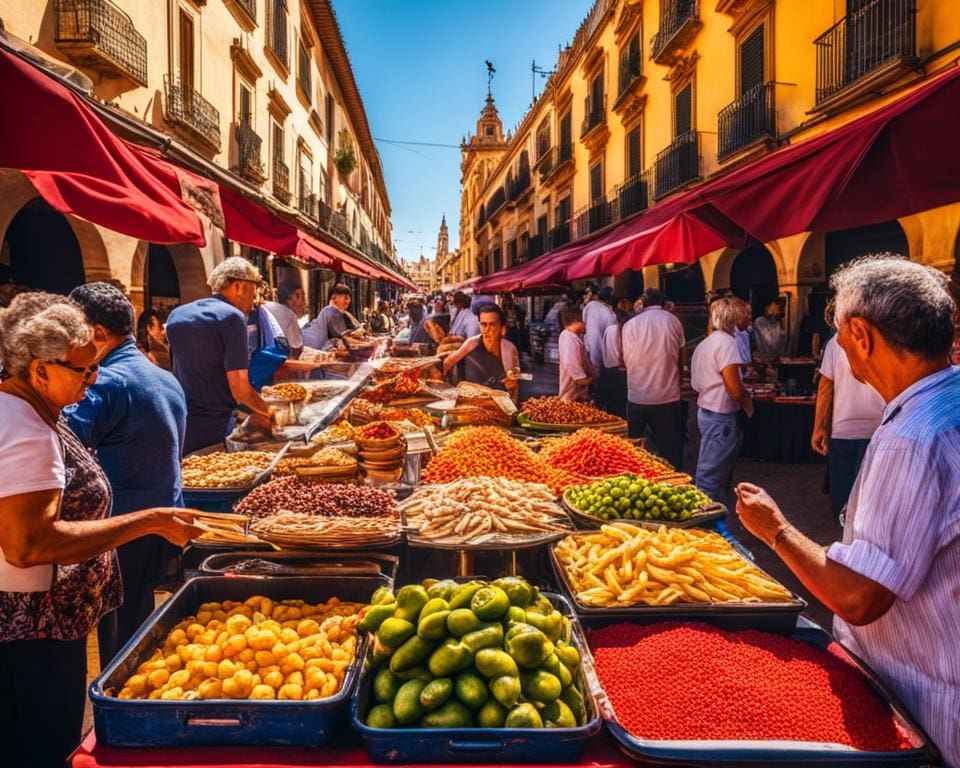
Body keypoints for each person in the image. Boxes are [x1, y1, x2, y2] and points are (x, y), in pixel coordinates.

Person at [735, 255, 959, 765]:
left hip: (924, 706)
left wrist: (777, 530)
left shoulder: (912, 436)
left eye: (839, 335)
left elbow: (858, 597)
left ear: (860, 334)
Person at [0, 292, 199, 768]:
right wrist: (148, 521)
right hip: (32, 636)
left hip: (51, 628)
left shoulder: (41, 414)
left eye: (94, 368)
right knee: (39, 747)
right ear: (39, 369)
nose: (93, 383)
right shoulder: (26, 430)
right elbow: (29, 545)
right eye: (83, 371)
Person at [64, 283, 188, 661]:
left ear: (97, 335)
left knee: (121, 647)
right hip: (165, 522)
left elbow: (62, 447)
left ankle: (120, 711)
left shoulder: (105, 383)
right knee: (141, 627)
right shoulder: (165, 377)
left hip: (123, 534)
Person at [165, 257, 274, 453]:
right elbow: (239, 389)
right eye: (253, 290)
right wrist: (270, 412)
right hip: (214, 426)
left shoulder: (176, 315)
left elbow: (175, 369)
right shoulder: (233, 318)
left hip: (181, 419)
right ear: (238, 286)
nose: (254, 301)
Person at [811, 326, 887, 520]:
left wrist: (819, 427)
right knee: (876, 498)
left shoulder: (837, 341)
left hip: (849, 428)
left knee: (846, 499)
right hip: (879, 426)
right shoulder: (887, 334)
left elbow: (825, 386)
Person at [690, 297, 754, 509]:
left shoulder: (706, 343)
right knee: (710, 475)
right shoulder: (727, 343)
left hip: (707, 410)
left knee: (709, 468)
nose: (748, 319)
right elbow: (734, 388)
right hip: (721, 415)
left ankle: (714, 513)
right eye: (744, 315)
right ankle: (704, 519)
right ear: (733, 317)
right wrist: (748, 404)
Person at [621, 288, 686, 469]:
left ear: (644, 303)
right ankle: (673, 479)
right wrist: (680, 375)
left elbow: (627, 360)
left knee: (634, 446)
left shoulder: (630, 325)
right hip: (667, 396)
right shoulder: (673, 321)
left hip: (637, 395)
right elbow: (682, 355)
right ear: (663, 303)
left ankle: (635, 476)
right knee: (670, 447)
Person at [442, 302, 521, 401]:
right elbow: (447, 362)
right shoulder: (471, 343)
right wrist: (441, 383)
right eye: (484, 324)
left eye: (492, 324)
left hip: (499, 403)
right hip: (472, 401)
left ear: (502, 328)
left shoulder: (509, 349)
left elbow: (513, 382)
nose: (487, 329)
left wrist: (511, 384)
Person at [558, 306, 596, 402]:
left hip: (578, 394)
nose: (586, 325)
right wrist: (583, 380)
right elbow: (570, 362)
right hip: (571, 395)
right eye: (584, 322)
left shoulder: (574, 337)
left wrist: (594, 374)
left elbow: (586, 361)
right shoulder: (568, 338)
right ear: (576, 321)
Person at [301, 284, 351, 350]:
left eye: (348, 297)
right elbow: (342, 334)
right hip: (313, 340)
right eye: (345, 297)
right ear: (334, 298)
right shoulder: (331, 310)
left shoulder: (332, 310)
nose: (347, 301)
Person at [597, 312, 627, 419]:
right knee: (621, 410)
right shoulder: (617, 330)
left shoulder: (610, 329)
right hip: (621, 374)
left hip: (609, 372)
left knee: (612, 410)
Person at [264, 283, 306, 358]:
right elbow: (296, 348)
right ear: (288, 300)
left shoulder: (265, 306)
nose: (302, 301)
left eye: (303, 296)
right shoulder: (289, 315)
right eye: (297, 296)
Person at [582, 285, 618, 373]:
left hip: (599, 359)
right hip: (604, 359)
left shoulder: (593, 307)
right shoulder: (598, 308)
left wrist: (595, 364)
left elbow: (593, 336)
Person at [733, 299, 753, 364]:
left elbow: (747, 359)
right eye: (747, 316)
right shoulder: (732, 336)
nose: (750, 317)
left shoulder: (745, 334)